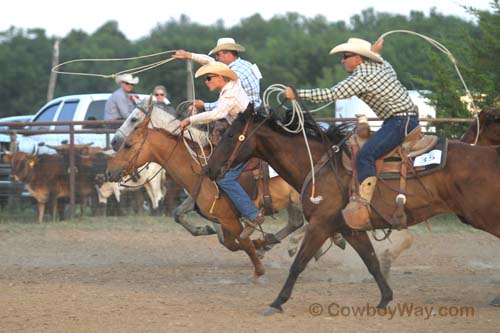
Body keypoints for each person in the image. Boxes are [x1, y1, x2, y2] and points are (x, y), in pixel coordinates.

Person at [285, 38, 419, 230]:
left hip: (399, 122)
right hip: (404, 119)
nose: (342, 60)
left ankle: (364, 204)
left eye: (346, 56)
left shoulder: (361, 77)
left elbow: (332, 94)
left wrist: (298, 93)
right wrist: (373, 51)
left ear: (358, 58)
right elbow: (375, 59)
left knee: (366, 155)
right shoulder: (382, 65)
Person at [179, 61, 264, 239]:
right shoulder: (231, 87)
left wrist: (190, 120)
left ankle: (252, 214)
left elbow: (217, 114)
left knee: (225, 178)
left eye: (209, 78)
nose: (206, 81)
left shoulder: (229, 95)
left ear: (219, 77)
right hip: (246, 134)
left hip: (247, 139)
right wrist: (190, 56)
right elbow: (218, 108)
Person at [173, 37, 262, 111]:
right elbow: (211, 61)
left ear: (227, 54)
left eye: (218, 55)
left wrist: (204, 106)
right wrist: (189, 55)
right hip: (256, 108)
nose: (216, 58)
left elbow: (226, 103)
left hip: (245, 114)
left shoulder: (233, 74)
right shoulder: (247, 64)